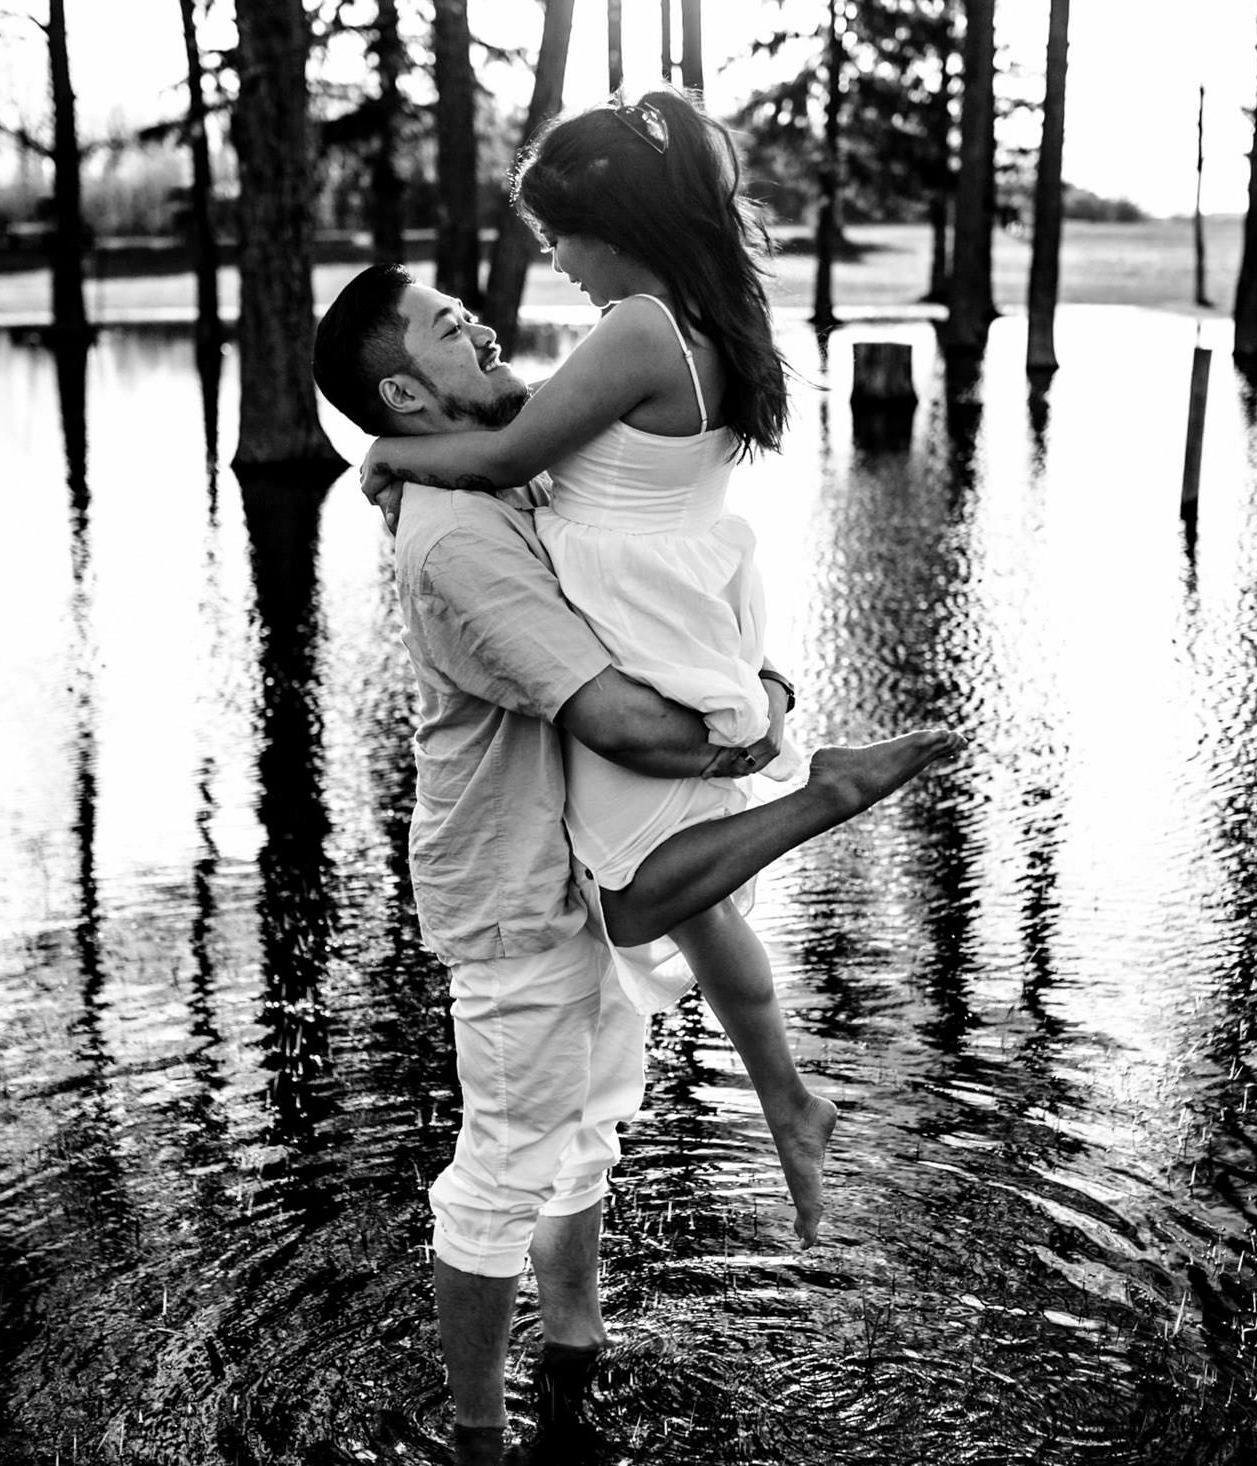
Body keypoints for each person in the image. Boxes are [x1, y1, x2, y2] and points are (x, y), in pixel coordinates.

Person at [315, 263, 954, 1464]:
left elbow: (646, 575)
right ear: (405, 386)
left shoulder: (510, 465)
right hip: (514, 887)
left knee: (587, 1130)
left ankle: (571, 1355)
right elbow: (620, 722)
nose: (483, 322)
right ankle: (479, 1440)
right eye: (449, 326)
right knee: (503, 1161)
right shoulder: (459, 541)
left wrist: (748, 674)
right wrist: (760, 723)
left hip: (585, 849)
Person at [357, 89, 856, 1259]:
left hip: (640, 623)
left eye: (559, 242)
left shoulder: (635, 325)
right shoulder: (704, 315)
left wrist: (388, 450)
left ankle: (822, 823)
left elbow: (513, 450)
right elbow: (550, 429)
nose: (558, 268)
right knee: (692, 900)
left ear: (610, 224)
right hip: (685, 599)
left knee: (641, 895)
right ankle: (785, 1095)